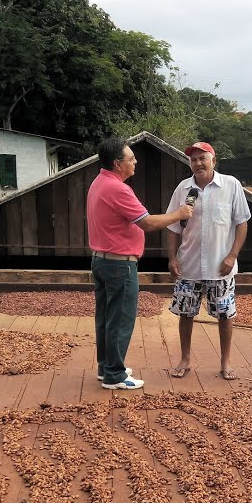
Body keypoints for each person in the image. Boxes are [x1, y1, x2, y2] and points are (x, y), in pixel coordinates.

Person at [88, 137, 193, 390]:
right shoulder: (118, 189)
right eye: (131, 158)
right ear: (117, 164)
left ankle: (106, 367)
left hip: (101, 261)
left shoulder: (99, 182)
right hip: (119, 265)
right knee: (121, 319)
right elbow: (146, 223)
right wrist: (179, 214)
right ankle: (114, 375)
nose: (135, 161)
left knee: (105, 317)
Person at [164, 141, 250, 380]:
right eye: (193, 160)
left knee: (225, 315)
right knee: (185, 313)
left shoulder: (231, 185)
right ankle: (184, 359)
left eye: (202, 158)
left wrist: (232, 256)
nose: (198, 163)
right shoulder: (183, 189)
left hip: (221, 266)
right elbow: (172, 227)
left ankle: (225, 362)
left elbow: (242, 223)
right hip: (188, 265)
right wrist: (172, 258)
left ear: (214, 160)